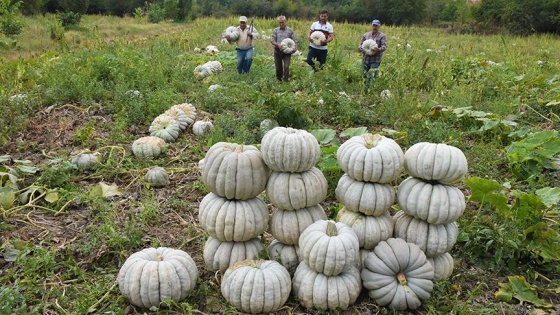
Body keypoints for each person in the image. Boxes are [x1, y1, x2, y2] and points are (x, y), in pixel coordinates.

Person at [359, 19, 387, 93]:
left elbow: (384, 47)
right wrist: (361, 49)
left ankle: (370, 90)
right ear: (372, 25)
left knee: (371, 76)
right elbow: (360, 45)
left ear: (379, 26)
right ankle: (364, 90)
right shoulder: (366, 35)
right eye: (373, 25)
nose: (375, 27)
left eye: (376, 26)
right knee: (364, 75)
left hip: (376, 59)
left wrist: (378, 49)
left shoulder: (382, 36)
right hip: (365, 59)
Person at [270, 15, 297, 81]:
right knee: (278, 68)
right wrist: (278, 45)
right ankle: (279, 80)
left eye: (282, 22)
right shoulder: (276, 30)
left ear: (285, 22)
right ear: (278, 22)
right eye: (280, 22)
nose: (281, 24)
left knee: (286, 67)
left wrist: (295, 48)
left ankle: (285, 80)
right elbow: (272, 40)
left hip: (287, 52)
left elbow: (295, 40)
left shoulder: (290, 31)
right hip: (277, 51)